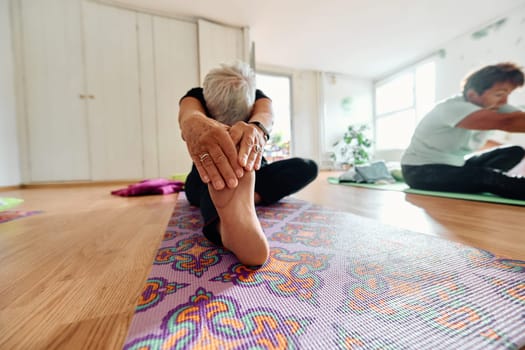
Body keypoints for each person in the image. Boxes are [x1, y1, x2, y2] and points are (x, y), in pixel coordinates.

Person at [178, 61, 318, 266]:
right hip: (211, 171)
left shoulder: (258, 96)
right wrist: (195, 124)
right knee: (215, 182)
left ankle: (245, 201)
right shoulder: (196, 95)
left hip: (251, 169)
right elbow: (189, 114)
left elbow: (266, 115)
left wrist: (256, 129)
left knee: (307, 166)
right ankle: (229, 223)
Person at [401, 62, 525, 199]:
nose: (504, 101)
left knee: (514, 151)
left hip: (458, 164)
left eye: (508, 94)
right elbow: (509, 122)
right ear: (472, 95)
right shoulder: (452, 108)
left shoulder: (494, 106)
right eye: (499, 94)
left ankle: (471, 179)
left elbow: (520, 118)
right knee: (486, 177)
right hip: (420, 171)